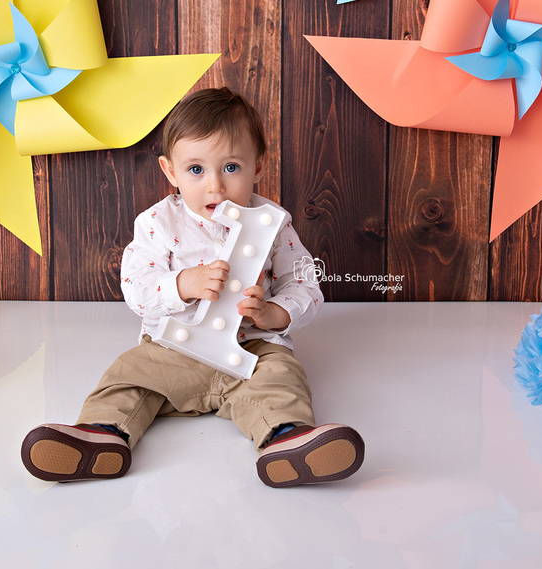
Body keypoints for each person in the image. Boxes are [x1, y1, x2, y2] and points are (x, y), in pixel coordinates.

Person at [21, 87, 364, 488]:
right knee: (129, 375)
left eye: (231, 167)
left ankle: (286, 439)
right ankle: (102, 434)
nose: (215, 186)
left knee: (280, 377)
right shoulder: (158, 224)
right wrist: (182, 284)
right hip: (174, 349)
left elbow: (304, 281)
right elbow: (136, 287)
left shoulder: (273, 223)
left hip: (250, 350)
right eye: (196, 170)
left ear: (258, 165)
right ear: (171, 171)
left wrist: (276, 313)